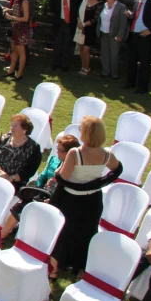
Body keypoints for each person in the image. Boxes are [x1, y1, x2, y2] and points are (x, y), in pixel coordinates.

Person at [49, 116, 123, 276]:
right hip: (93, 200)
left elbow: (64, 177)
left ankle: (56, 266)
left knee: (64, 231)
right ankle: (79, 264)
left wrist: (57, 173)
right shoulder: (107, 154)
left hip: (71, 200)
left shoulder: (75, 153)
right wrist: (100, 182)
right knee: (85, 232)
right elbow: (118, 169)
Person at [96, 0, 128, 79]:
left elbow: (123, 23)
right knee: (105, 53)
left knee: (114, 54)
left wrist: (120, 35)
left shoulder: (121, 7)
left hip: (114, 34)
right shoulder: (104, 5)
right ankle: (105, 72)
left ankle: (114, 74)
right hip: (104, 33)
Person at [49, 0, 80, 72]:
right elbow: (52, 8)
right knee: (57, 44)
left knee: (67, 44)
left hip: (69, 23)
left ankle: (64, 64)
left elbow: (77, 9)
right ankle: (55, 63)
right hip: (59, 23)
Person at [3, 0, 30, 80]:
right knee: (13, 50)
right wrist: (7, 11)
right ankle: (11, 70)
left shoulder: (25, 2)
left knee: (21, 53)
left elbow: (26, 18)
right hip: (14, 28)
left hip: (21, 30)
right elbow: (15, 11)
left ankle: (19, 74)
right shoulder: (16, 0)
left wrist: (11, 17)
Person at [76, 0, 101, 75]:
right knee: (81, 49)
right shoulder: (84, 0)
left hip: (90, 30)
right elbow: (78, 12)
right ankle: (82, 66)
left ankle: (87, 68)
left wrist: (84, 24)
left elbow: (95, 19)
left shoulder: (98, 5)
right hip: (80, 28)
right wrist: (79, 22)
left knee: (86, 50)